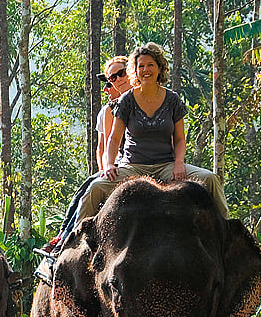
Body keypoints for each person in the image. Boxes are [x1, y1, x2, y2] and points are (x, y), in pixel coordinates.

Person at [76, 42, 229, 223]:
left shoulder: (172, 99)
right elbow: (114, 137)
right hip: (133, 166)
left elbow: (180, 139)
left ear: (159, 68)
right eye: (141, 66)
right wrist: (109, 164)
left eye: (150, 65)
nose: (146, 70)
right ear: (135, 70)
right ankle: (76, 238)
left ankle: (227, 230)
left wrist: (179, 164)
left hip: (166, 165)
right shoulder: (127, 100)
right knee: (95, 188)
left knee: (210, 179)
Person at [42, 56, 132, 257]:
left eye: (121, 73)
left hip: (150, 162)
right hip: (120, 165)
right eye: (112, 79)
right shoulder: (111, 110)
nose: (117, 80)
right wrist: (105, 170)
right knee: (88, 189)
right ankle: (67, 237)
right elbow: (104, 146)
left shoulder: (153, 100)